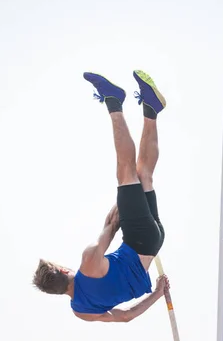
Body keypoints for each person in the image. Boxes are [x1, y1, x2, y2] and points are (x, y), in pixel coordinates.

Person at [32, 70, 169, 323]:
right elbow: (112, 225)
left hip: (152, 241)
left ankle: (152, 108)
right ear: (62, 269)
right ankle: (113, 101)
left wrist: (158, 293)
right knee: (126, 173)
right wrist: (126, 199)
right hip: (138, 239)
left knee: (144, 175)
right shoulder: (88, 262)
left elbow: (125, 317)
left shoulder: (82, 311)